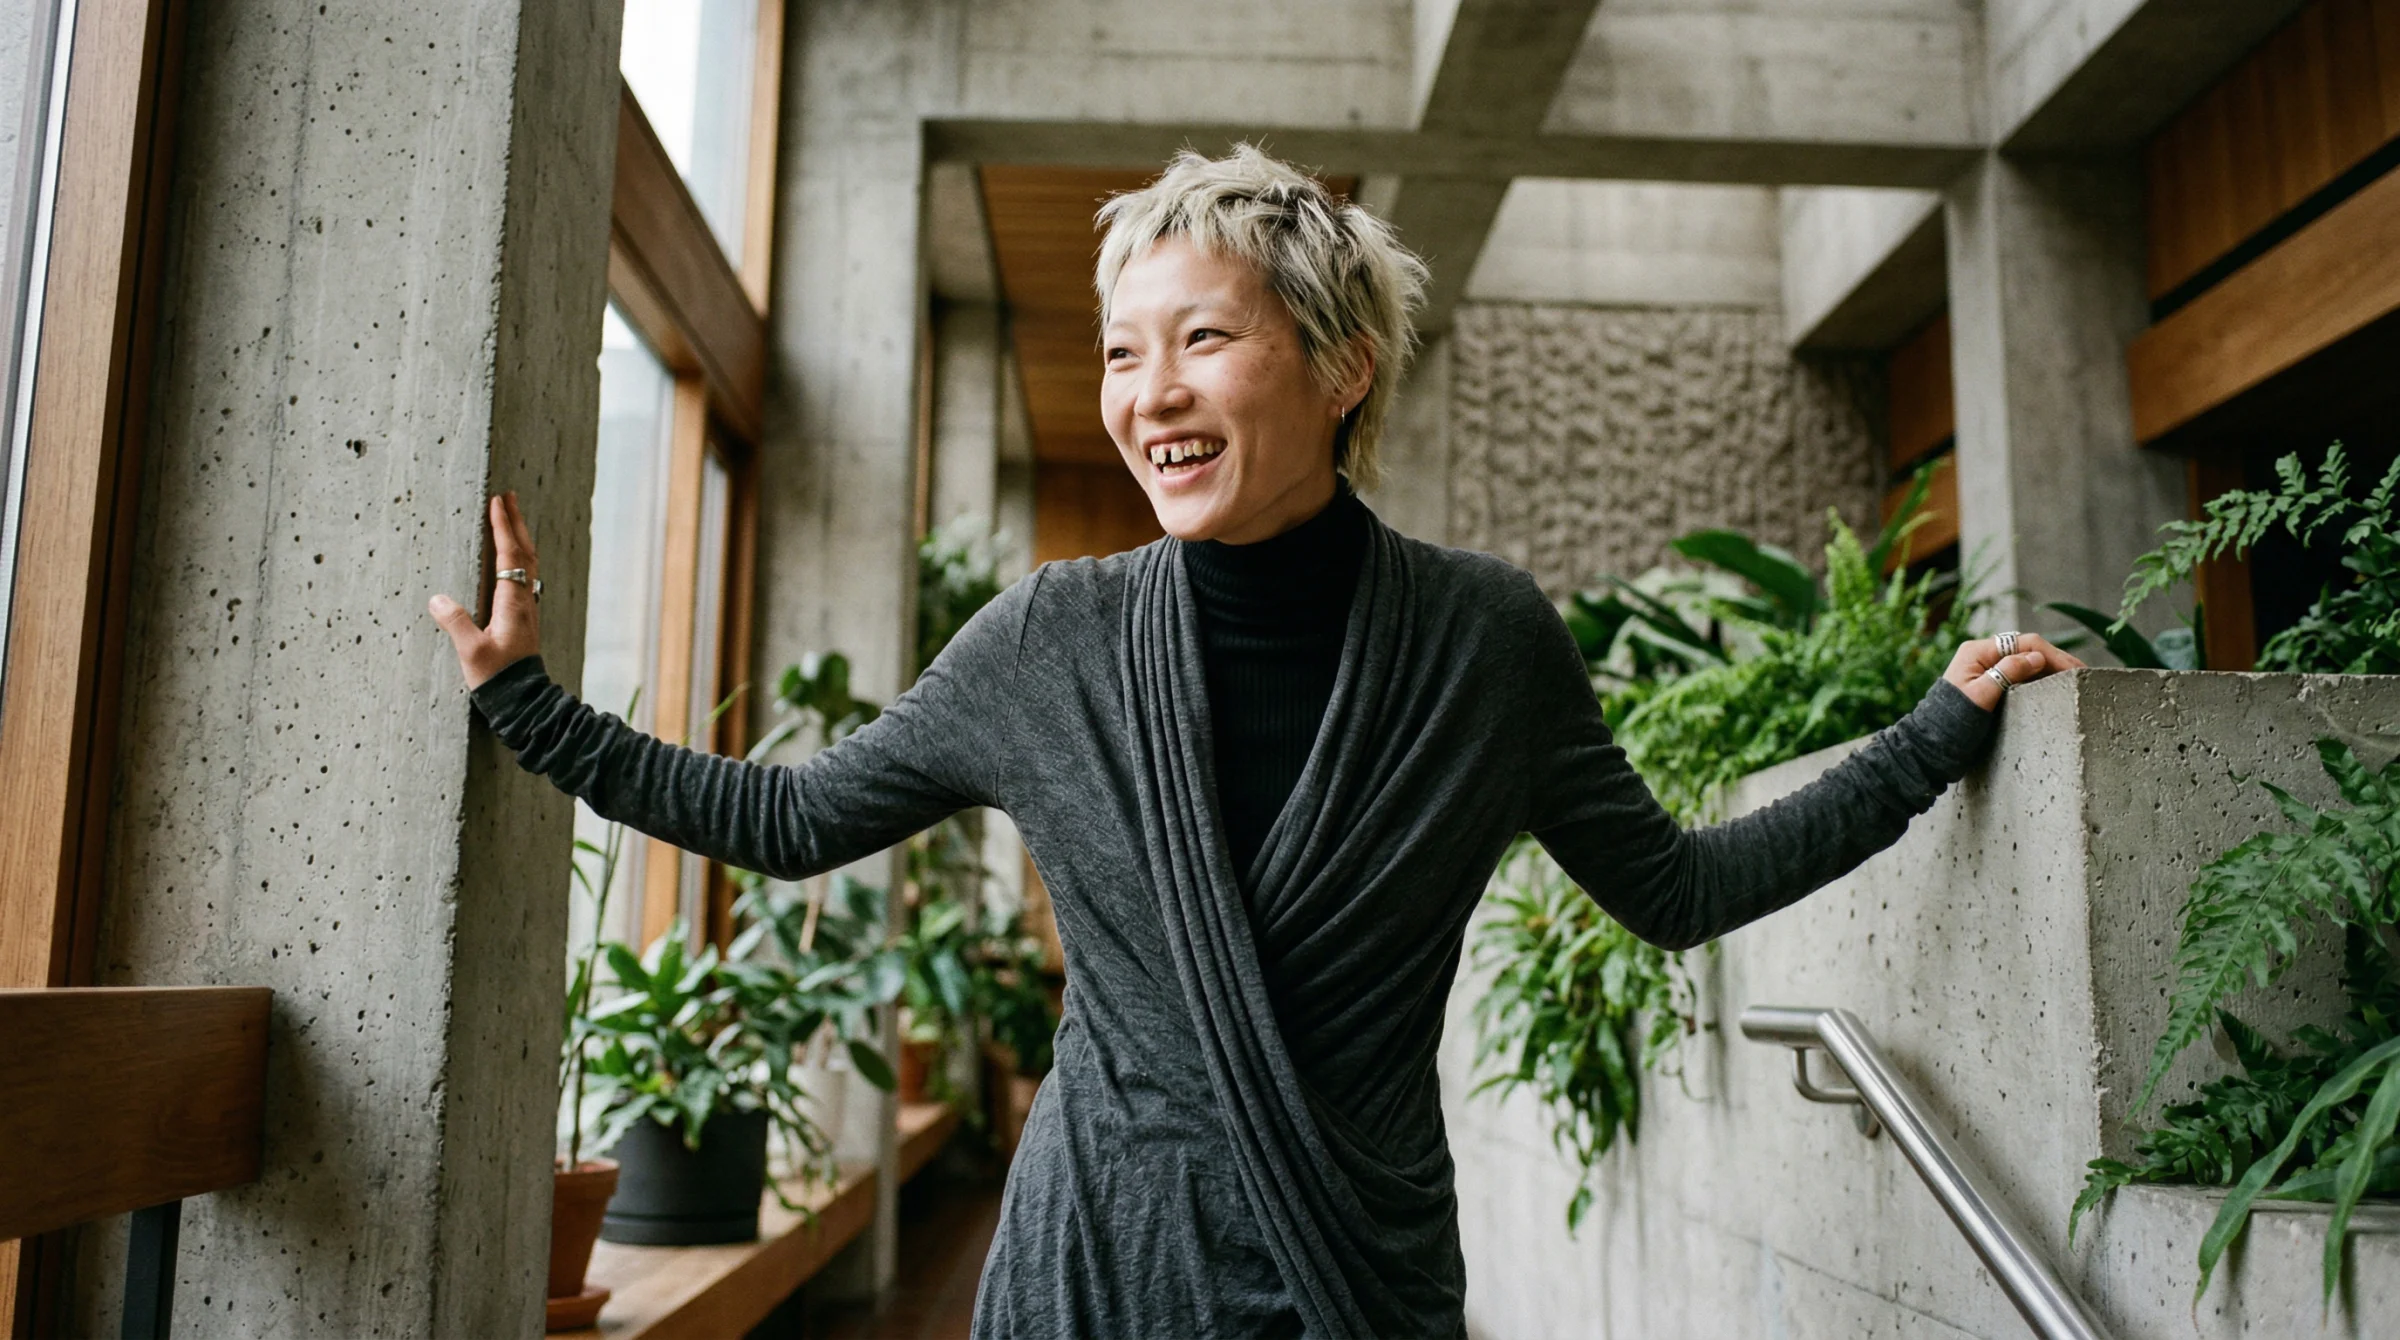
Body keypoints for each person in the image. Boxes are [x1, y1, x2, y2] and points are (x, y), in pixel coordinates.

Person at [429, 146, 2080, 1339]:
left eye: (1203, 339)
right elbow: (790, 821)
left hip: (1353, 1276)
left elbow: (1673, 884)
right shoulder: (1048, 640)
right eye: (1124, 354)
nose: (1149, 393)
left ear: (1341, 365)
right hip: (1095, 1276)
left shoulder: (1482, 641)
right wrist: (530, 702)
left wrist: (1932, 735)